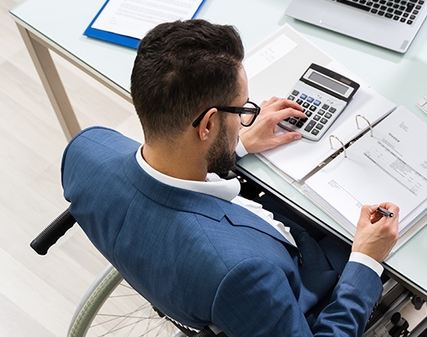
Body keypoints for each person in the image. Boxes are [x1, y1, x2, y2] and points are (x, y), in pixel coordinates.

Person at [61, 19, 399, 336]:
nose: (246, 119)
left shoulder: (86, 150)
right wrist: (367, 259)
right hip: (296, 279)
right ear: (207, 125)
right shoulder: (244, 274)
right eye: (242, 110)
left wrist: (234, 147)